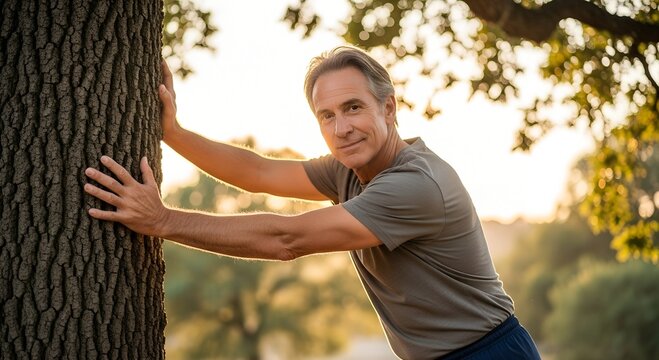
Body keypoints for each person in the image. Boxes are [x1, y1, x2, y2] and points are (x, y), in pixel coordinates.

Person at [84, 46, 541, 359]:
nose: (341, 128)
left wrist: (161, 220)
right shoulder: (350, 169)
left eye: (353, 107)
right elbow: (258, 172)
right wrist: (174, 134)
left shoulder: (415, 185)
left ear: (389, 108)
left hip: (489, 352)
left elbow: (287, 238)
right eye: (328, 115)